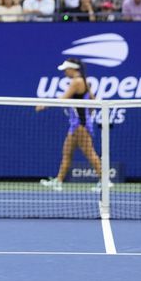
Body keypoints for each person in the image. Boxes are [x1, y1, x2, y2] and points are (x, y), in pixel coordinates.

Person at [37, 59, 104, 192]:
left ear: (72, 69)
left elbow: (63, 99)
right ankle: (59, 181)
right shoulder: (84, 81)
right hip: (76, 123)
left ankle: (104, 181)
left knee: (90, 153)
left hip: (80, 124)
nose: (64, 72)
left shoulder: (77, 82)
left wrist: (44, 105)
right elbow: (93, 99)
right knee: (67, 152)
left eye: (65, 70)